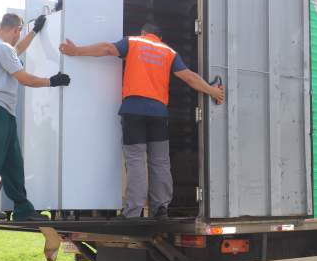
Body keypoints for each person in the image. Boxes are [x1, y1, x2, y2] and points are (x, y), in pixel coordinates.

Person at [60, 22, 224, 219]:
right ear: (160, 37)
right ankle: (161, 208)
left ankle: (133, 211)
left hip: (134, 111)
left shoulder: (133, 42)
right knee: (160, 161)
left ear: (143, 33)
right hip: (158, 114)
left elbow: (107, 49)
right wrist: (213, 91)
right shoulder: (168, 52)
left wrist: (77, 51)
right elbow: (189, 77)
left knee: (136, 160)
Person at [0, 13, 70, 222]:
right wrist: (52, 81)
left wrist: (34, 31)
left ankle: (22, 209)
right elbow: (24, 78)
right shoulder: (1, 48)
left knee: (12, 163)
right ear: (17, 30)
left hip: (3, 111)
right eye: (20, 32)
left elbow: (17, 51)